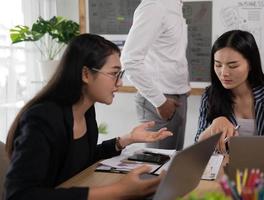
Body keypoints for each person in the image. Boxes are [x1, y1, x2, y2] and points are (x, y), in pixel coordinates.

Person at [4, 34, 173, 200]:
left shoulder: (86, 111)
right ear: (85, 74)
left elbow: (82, 158)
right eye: (114, 74)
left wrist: (127, 139)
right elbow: (19, 194)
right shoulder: (43, 118)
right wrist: (118, 191)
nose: (120, 83)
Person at [195, 30, 264, 153]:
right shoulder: (209, 96)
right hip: (226, 169)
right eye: (218, 65)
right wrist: (214, 124)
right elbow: (199, 149)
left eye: (233, 66)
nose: (223, 73)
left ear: (251, 64)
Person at [121, 0, 190, 150]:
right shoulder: (155, 6)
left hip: (177, 97)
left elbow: (171, 56)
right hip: (160, 101)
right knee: (157, 169)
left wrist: (182, 87)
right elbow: (129, 60)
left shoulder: (175, 5)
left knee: (173, 166)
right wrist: (160, 101)